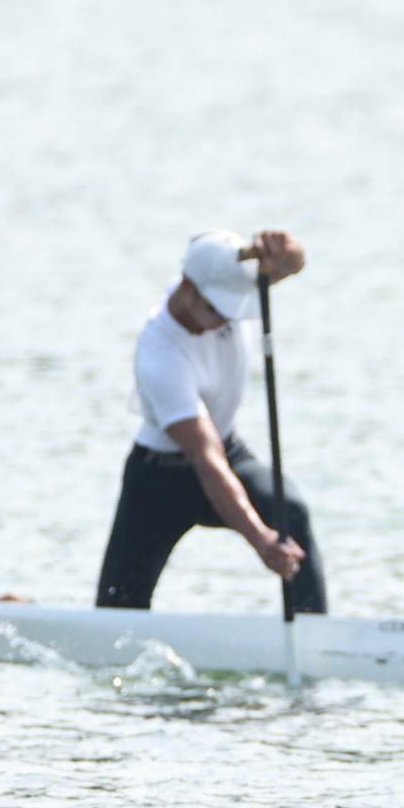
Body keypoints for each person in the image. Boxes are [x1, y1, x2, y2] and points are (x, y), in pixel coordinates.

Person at [95, 229, 325, 613]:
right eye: (217, 310)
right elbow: (207, 460)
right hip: (159, 478)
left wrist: (286, 248)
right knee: (117, 607)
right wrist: (262, 541)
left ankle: (312, 631)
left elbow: (292, 264)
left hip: (228, 450)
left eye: (233, 310)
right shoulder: (160, 356)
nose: (225, 320)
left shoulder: (224, 286)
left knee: (290, 510)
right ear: (187, 288)